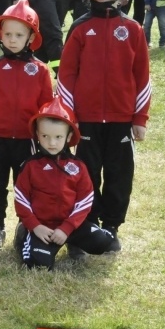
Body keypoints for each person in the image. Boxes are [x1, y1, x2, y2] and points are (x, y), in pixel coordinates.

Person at [57, 0, 151, 252]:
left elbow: (143, 78)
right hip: (85, 120)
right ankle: (86, 224)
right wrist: (69, 116)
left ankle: (111, 225)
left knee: (119, 174)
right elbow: (67, 75)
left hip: (122, 119)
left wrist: (139, 118)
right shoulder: (81, 28)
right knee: (84, 173)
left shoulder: (134, 30)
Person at [0, 0, 53, 252]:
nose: (12, 39)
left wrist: (44, 141)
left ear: (31, 37)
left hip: (27, 142)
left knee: (26, 186)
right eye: (7, 33)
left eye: (19, 34)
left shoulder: (40, 71)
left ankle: (24, 226)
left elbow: (47, 110)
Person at [14, 96, 116, 270]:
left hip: (71, 226)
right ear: (37, 134)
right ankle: (24, 233)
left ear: (69, 136)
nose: (51, 143)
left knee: (105, 243)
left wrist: (67, 228)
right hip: (43, 228)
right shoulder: (30, 166)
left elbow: (85, 199)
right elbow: (21, 198)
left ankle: (72, 242)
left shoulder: (78, 166)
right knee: (38, 264)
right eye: (45, 136)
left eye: (58, 137)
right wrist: (35, 226)